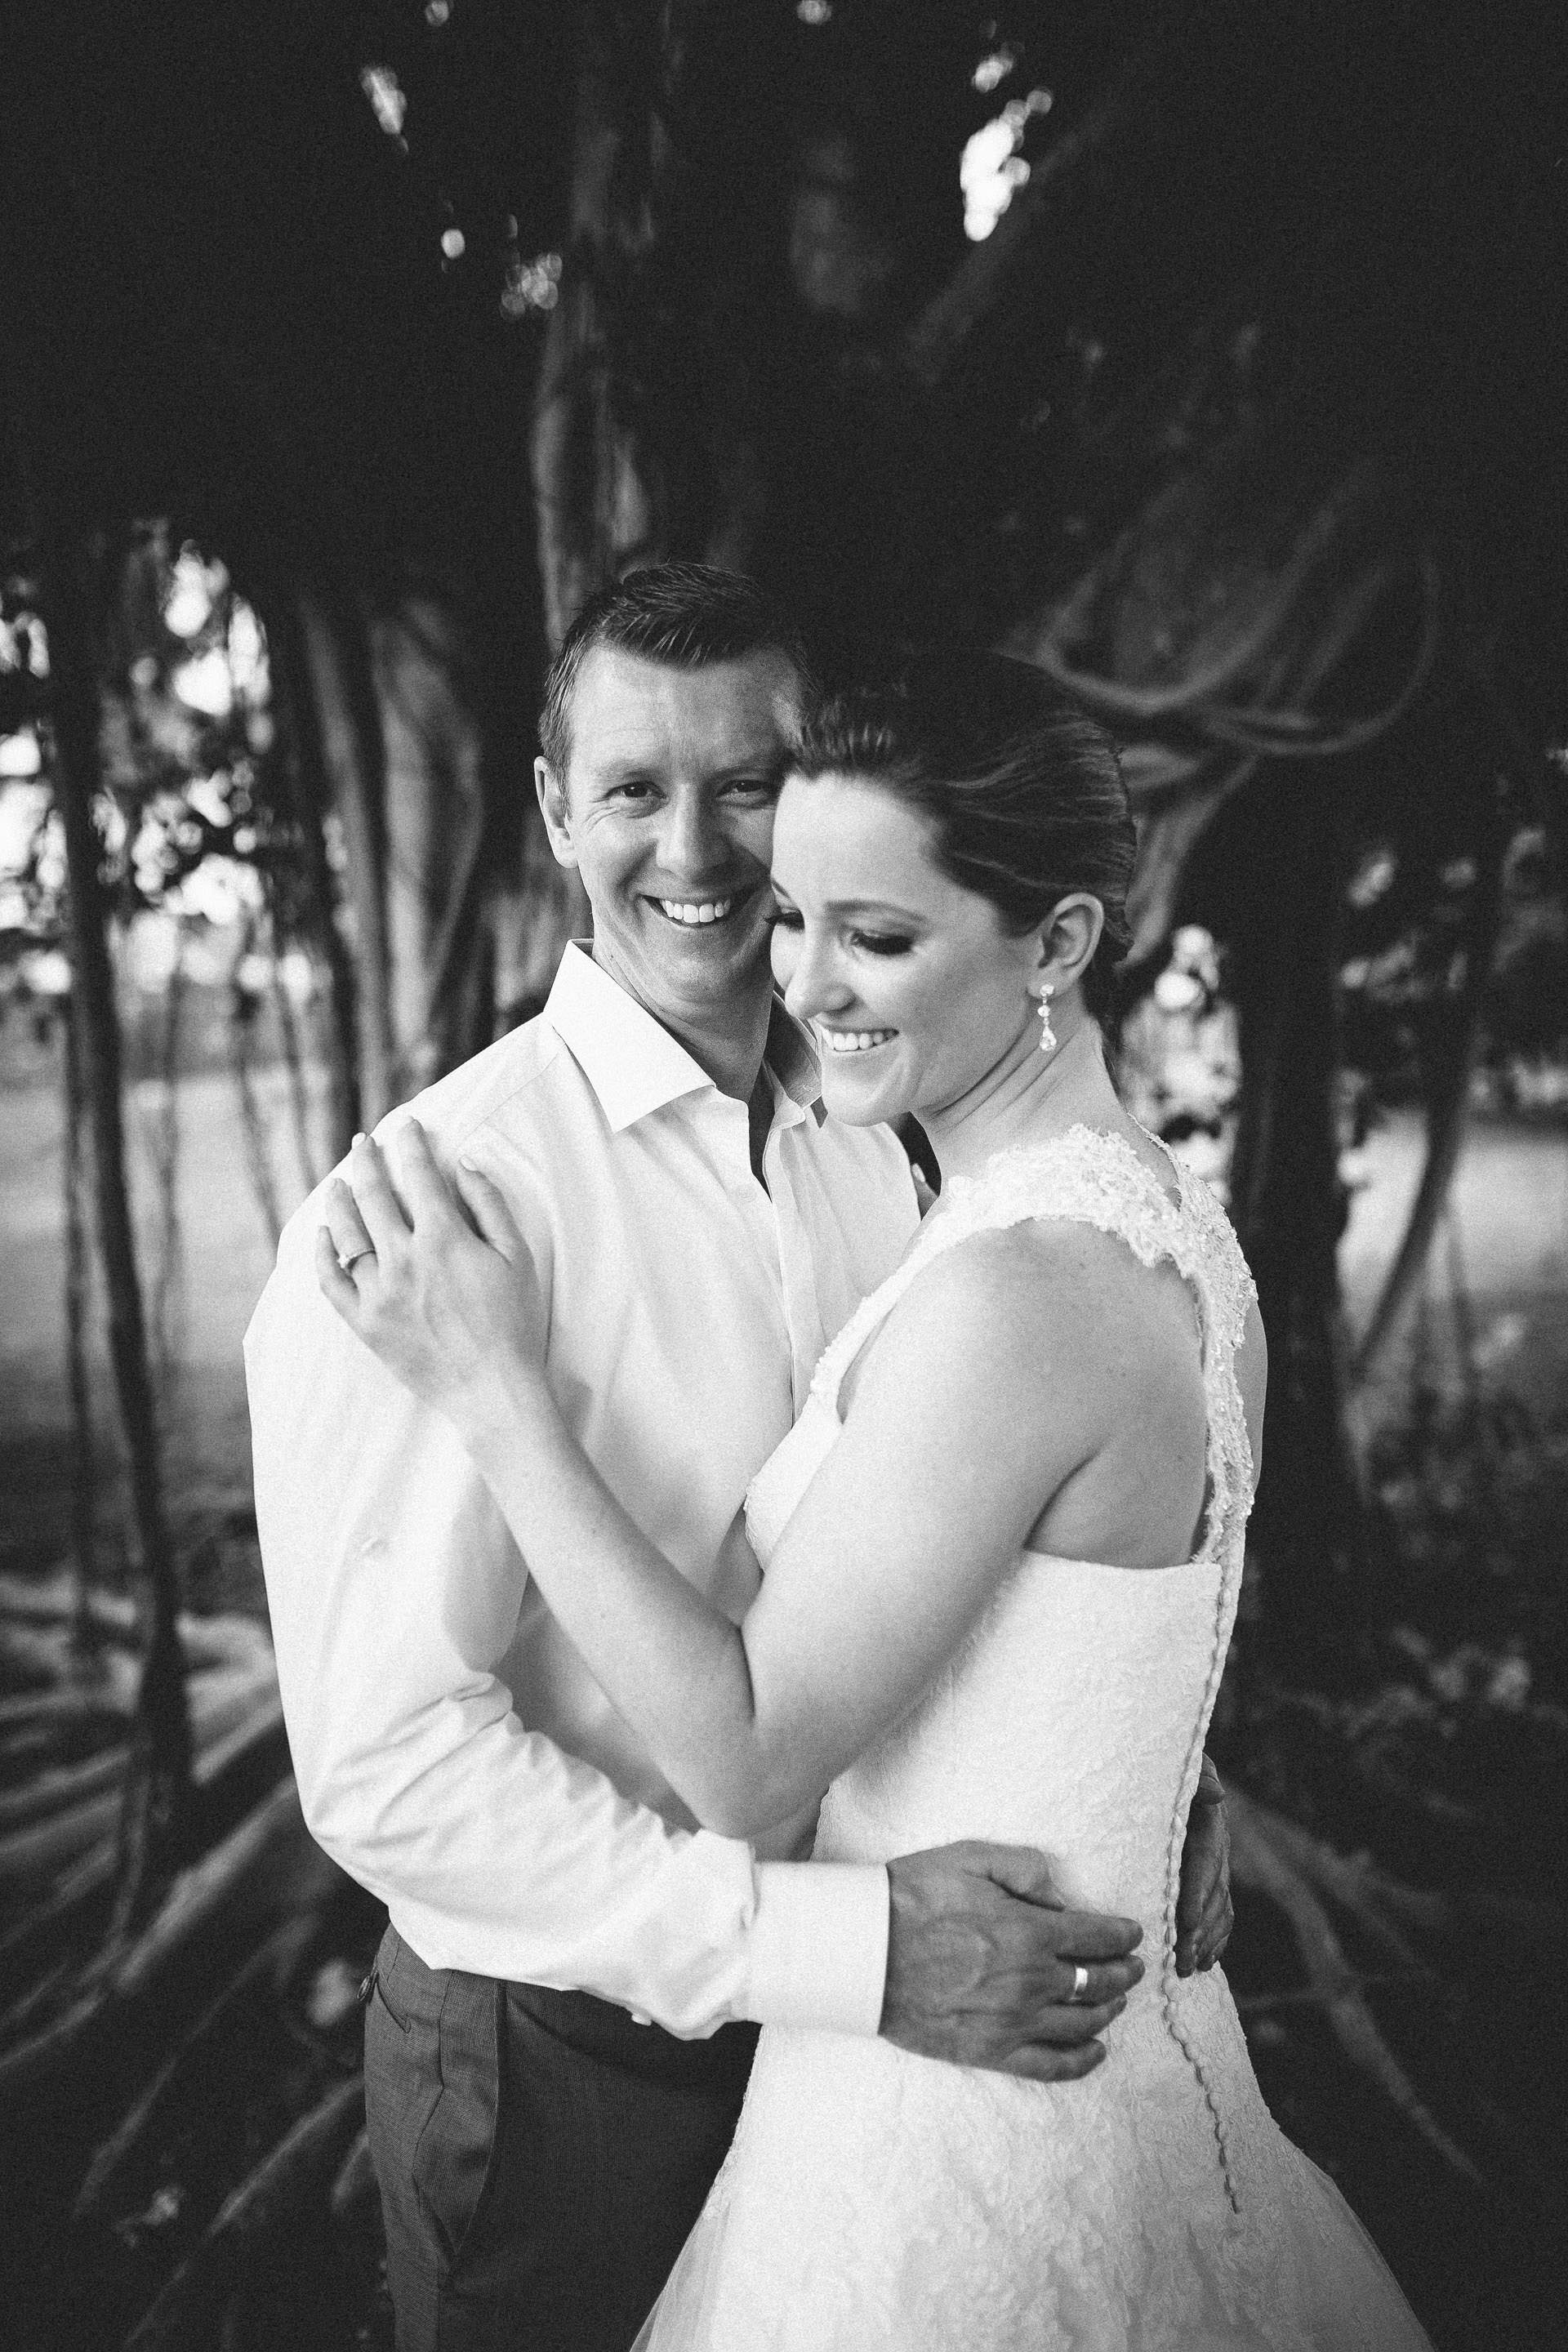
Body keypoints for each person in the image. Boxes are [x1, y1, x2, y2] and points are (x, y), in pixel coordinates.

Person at [321, 652, 1435, 2350]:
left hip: (953, 2126)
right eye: (797, 918)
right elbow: (1087, 1597)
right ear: (557, 811)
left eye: (881, 935)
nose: (810, 979)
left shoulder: (1008, 1282)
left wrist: (497, 1392)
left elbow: (754, 1742)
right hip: (620, 2048)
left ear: (1058, 946)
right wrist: (1134, 1766)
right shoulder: (1153, 1221)